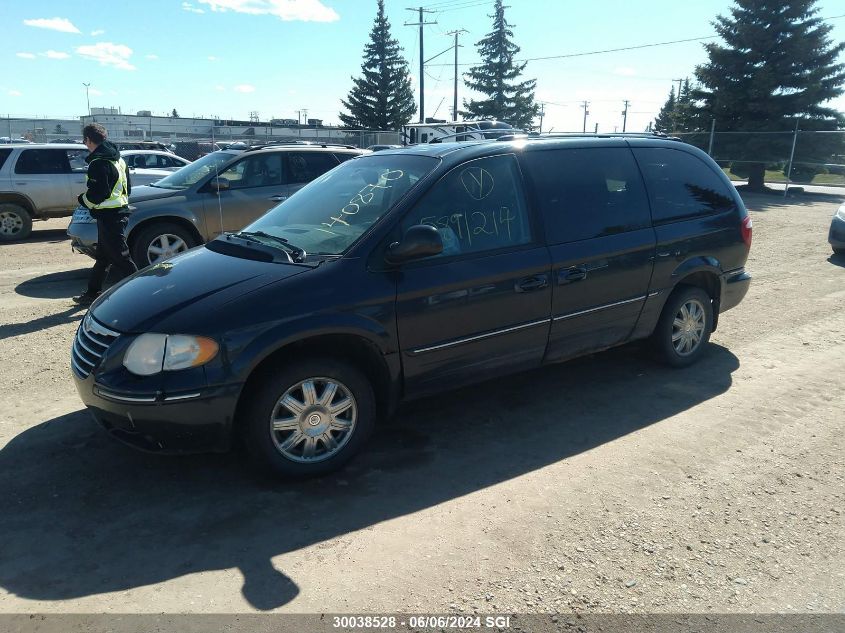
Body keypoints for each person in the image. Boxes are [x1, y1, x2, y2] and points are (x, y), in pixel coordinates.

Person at [73, 123, 137, 306]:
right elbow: (128, 189)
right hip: (116, 212)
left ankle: (144, 294)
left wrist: (82, 200)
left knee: (122, 258)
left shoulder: (98, 162)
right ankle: (92, 293)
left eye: (84, 141)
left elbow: (99, 193)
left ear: (88, 140)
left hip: (110, 216)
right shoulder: (118, 159)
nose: (85, 144)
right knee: (103, 257)